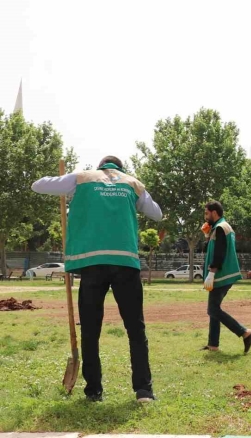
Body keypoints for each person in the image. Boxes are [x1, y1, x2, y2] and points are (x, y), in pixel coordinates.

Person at [31, 156, 162, 403]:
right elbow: (157, 214)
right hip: (125, 263)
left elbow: (38, 185)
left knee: (90, 331)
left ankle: (94, 391)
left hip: (92, 264)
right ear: (119, 169)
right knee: (135, 329)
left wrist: (69, 183)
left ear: (101, 166)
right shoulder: (132, 183)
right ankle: (143, 391)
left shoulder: (82, 178)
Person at [201, 201, 251, 353]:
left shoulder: (220, 228)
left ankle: (245, 332)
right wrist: (207, 235)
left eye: (206, 213)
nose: (205, 217)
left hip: (220, 275)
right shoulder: (221, 227)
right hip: (223, 274)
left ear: (214, 212)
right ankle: (213, 344)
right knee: (214, 309)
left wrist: (212, 272)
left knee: (213, 309)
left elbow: (220, 252)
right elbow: (213, 249)